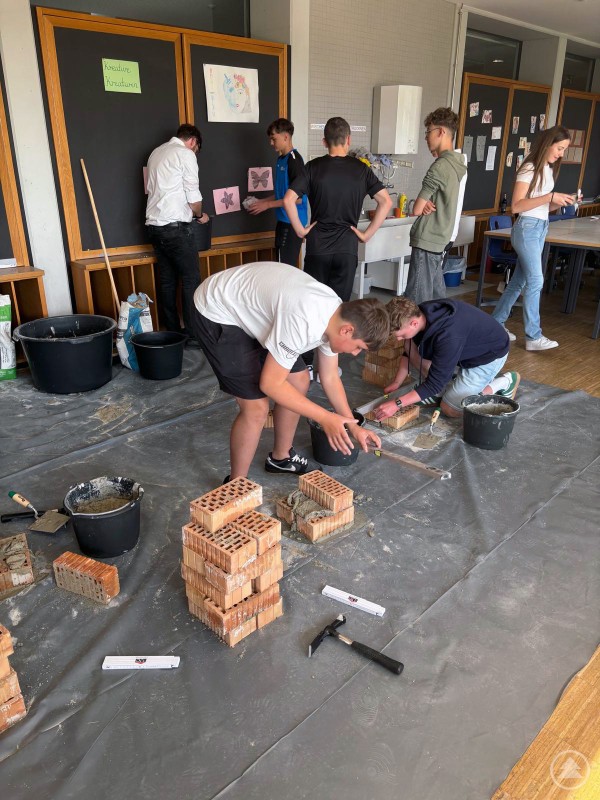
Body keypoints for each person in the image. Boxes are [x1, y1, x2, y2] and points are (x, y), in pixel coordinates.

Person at [191, 262, 390, 480]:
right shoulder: (304, 321)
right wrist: (325, 417)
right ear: (347, 330)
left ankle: (280, 458)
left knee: (299, 380)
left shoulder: (337, 315)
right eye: (358, 347)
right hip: (219, 309)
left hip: (257, 308)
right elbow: (270, 384)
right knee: (256, 408)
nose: (354, 354)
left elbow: (330, 377)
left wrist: (352, 425)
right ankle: (236, 485)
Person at [283, 116, 392, 303]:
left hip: (317, 247)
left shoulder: (312, 167)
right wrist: (366, 235)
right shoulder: (362, 170)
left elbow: (288, 200)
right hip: (346, 248)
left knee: (314, 304)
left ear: (324, 142)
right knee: (339, 306)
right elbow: (386, 202)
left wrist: (301, 231)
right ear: (348, 140)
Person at [373, 296, 520, 421]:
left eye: (400, 334)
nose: (398, 339)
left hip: (487, 357)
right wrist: (397, 382)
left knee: (450, 408)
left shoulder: (448, 336)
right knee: (409, 342)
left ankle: (503, 383)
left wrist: (397, 404)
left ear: (414, 323)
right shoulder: (419, 313)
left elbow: (434, 384)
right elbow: (408, 349)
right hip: (463, 349)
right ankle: (446, 389)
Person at [492, 126, 574, 350]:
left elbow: (542, 207)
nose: (561, 154)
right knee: (536, 280)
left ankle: (496, 324)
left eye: (564, 149)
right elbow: (517, 206)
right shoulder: (529, 168)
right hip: (526, 228)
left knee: (519, 281)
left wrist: (559, 202)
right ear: (548, 144)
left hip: (539, 227)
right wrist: (550, 196)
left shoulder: (547, 169)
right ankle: (533, 336)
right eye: (559, 148)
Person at [145, 123, 209, 337]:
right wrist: (200, 215)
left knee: (167, 280)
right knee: (191, 279)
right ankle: (193, 334)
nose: (195, 153)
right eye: (196, 149)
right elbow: (193, 195)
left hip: (154, 227)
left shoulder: (156, 153)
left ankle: (173, 332)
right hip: (176, 228)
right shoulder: (185, 154)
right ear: (193, 141)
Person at [404, 108, 467, 305]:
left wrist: (418, 204)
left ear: (441, 132)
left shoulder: (440, 166)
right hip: (441, 239)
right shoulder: (458, 164)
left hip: (427, 239)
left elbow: (416, 210)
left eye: (428, 132)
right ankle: (442, 334)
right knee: (437, 299)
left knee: (416, 303)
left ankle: (419, 336)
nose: (426, 138)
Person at [246, 118, 308, 267]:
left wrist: (267, 205)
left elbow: (297, 199)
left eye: (274, 139)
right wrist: (261, 201)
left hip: (292, 222)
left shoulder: (295, 161)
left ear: (286, 137)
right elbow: (283, 194)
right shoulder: (281, 159)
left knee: (285, 267)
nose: (271, 143)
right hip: (282, 221)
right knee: (280, 264)